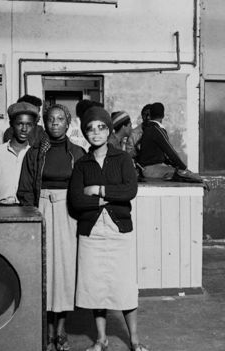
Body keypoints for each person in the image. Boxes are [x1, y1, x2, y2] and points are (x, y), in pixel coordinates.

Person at [68, 106, 148, 351]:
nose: (96, 133)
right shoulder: (82, 164)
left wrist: (99, 191)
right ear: (85, 134)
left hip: (118, 231)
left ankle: (134, 341)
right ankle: (101, 339)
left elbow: (130, 191)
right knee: (96, 288)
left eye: (101, 127)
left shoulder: (122, 159)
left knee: (124, 287)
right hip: (92, 233)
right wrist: (107, 199)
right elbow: (76, 201)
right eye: (90, 129)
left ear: (109, 130)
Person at [17, 104, 85, 351]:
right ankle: (46, 332)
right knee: (44, 270)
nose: (55, 123)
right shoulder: (34, 153)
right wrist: (33, 214)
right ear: (45, 124)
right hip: (42, 210)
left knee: (65, 272)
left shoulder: (77, 153)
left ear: (68, 124)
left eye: (60, 119)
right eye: (50, 119)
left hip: (68, 213)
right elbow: (24, 189)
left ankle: (61, 331)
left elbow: (84, 187)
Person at [0, 102, 36, 206]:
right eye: (20, 124)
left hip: (27, 209)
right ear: (11, 124)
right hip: (1, 208)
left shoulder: (34, 154)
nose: (24, 129)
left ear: (33, 126)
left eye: (28, 125)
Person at [136, 102, 201, 182]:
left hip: (147, 169)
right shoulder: (157, 130)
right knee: (188, 176)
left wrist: (176, 166)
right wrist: (184, 168)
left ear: (151, 115)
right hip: (152, 170)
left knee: (178, 172)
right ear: (163, 116)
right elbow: (170, 151)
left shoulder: (148, 129)